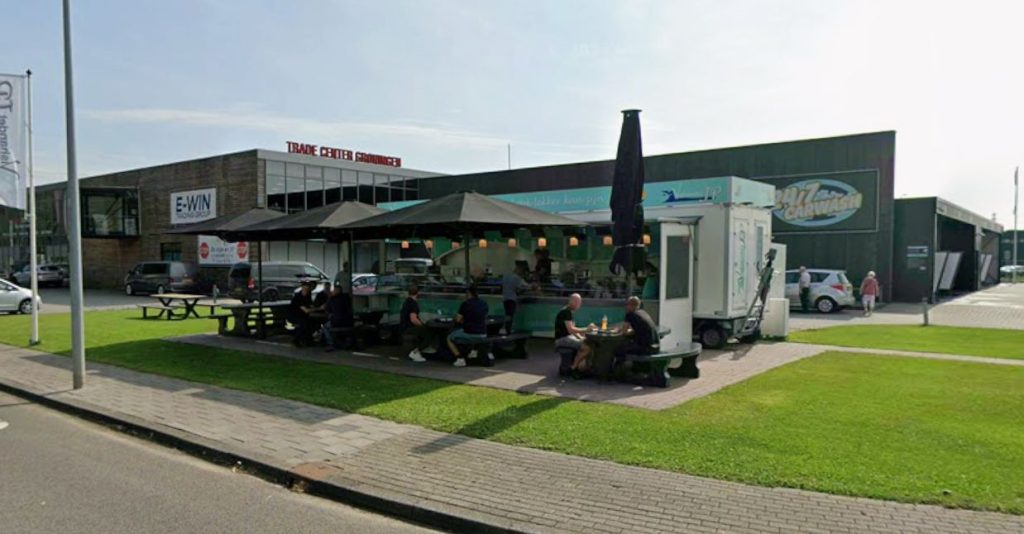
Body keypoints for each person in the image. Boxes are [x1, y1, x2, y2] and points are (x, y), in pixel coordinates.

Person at [447, 284, 489, 367]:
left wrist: (462, 319)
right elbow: (483, 317)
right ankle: (473, 351)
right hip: (483, 333)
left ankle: (459, 358)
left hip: (469, 333)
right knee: (473, 333)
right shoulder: (484, 303)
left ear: (468, 293)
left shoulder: (465, 304)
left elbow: (458, 319)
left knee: (449, 338)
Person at [552, 293, 594, 371]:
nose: (579, 304)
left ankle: (579, 365)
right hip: (562, 339)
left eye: (580, 302)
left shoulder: (569, 311)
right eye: (577, 302)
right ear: (571, 301)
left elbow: (572, 330)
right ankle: (573, 367)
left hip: (567, 337)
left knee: (585, 341)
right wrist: (587, 329)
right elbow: (571, 330)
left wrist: (581, 337)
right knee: (587, 347)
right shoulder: (566, 312)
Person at [613, 297, 660, 364]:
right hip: (655, 347)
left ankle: (620, 368)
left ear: (630, 305)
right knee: (629, 346)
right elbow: (639, 330)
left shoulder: (630, 314)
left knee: (618, 350)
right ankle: (633, 367)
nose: (626, 307)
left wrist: (618, 330)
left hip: (645, 349)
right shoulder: (643, 312)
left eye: (627, 305)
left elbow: (624, 332)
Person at [401, 285, 435, 362]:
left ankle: (419, 350)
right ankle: (415, 352)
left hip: (404, 327)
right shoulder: (414, 304)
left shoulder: (406, 302)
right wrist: (422, 325)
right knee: (429, 334)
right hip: (410, 327)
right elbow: (413, 319)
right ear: (418, 293)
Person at [321, 284, 355, 351]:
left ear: (335, 291)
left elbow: (327, 310)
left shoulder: (332, 299)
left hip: (337, 321)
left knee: (325, 327)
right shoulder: (346, 297)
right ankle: (346, 342)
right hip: (348, 321)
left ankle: (331, 344)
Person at [501, 265, 530, 334]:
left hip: (505, 298)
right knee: (511, 315)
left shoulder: (506, 276)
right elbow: (522, 287)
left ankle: (507, 328)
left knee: (507, 314)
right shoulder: (516, 278)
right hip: (511, 299)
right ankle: (508, 330)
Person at [288, 281, 317, 347]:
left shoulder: (308, 296)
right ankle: (297, 340)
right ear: (302, 288)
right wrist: (318, 308)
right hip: (294, 316)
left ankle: (308, 340)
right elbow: (306, 310)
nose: (306, 290)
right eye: (305, 288)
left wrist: (314, 308)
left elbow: (311, 305)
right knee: (303, 323)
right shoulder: (298, 297)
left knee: (313, 322)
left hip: (302, 315)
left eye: (307, 289)